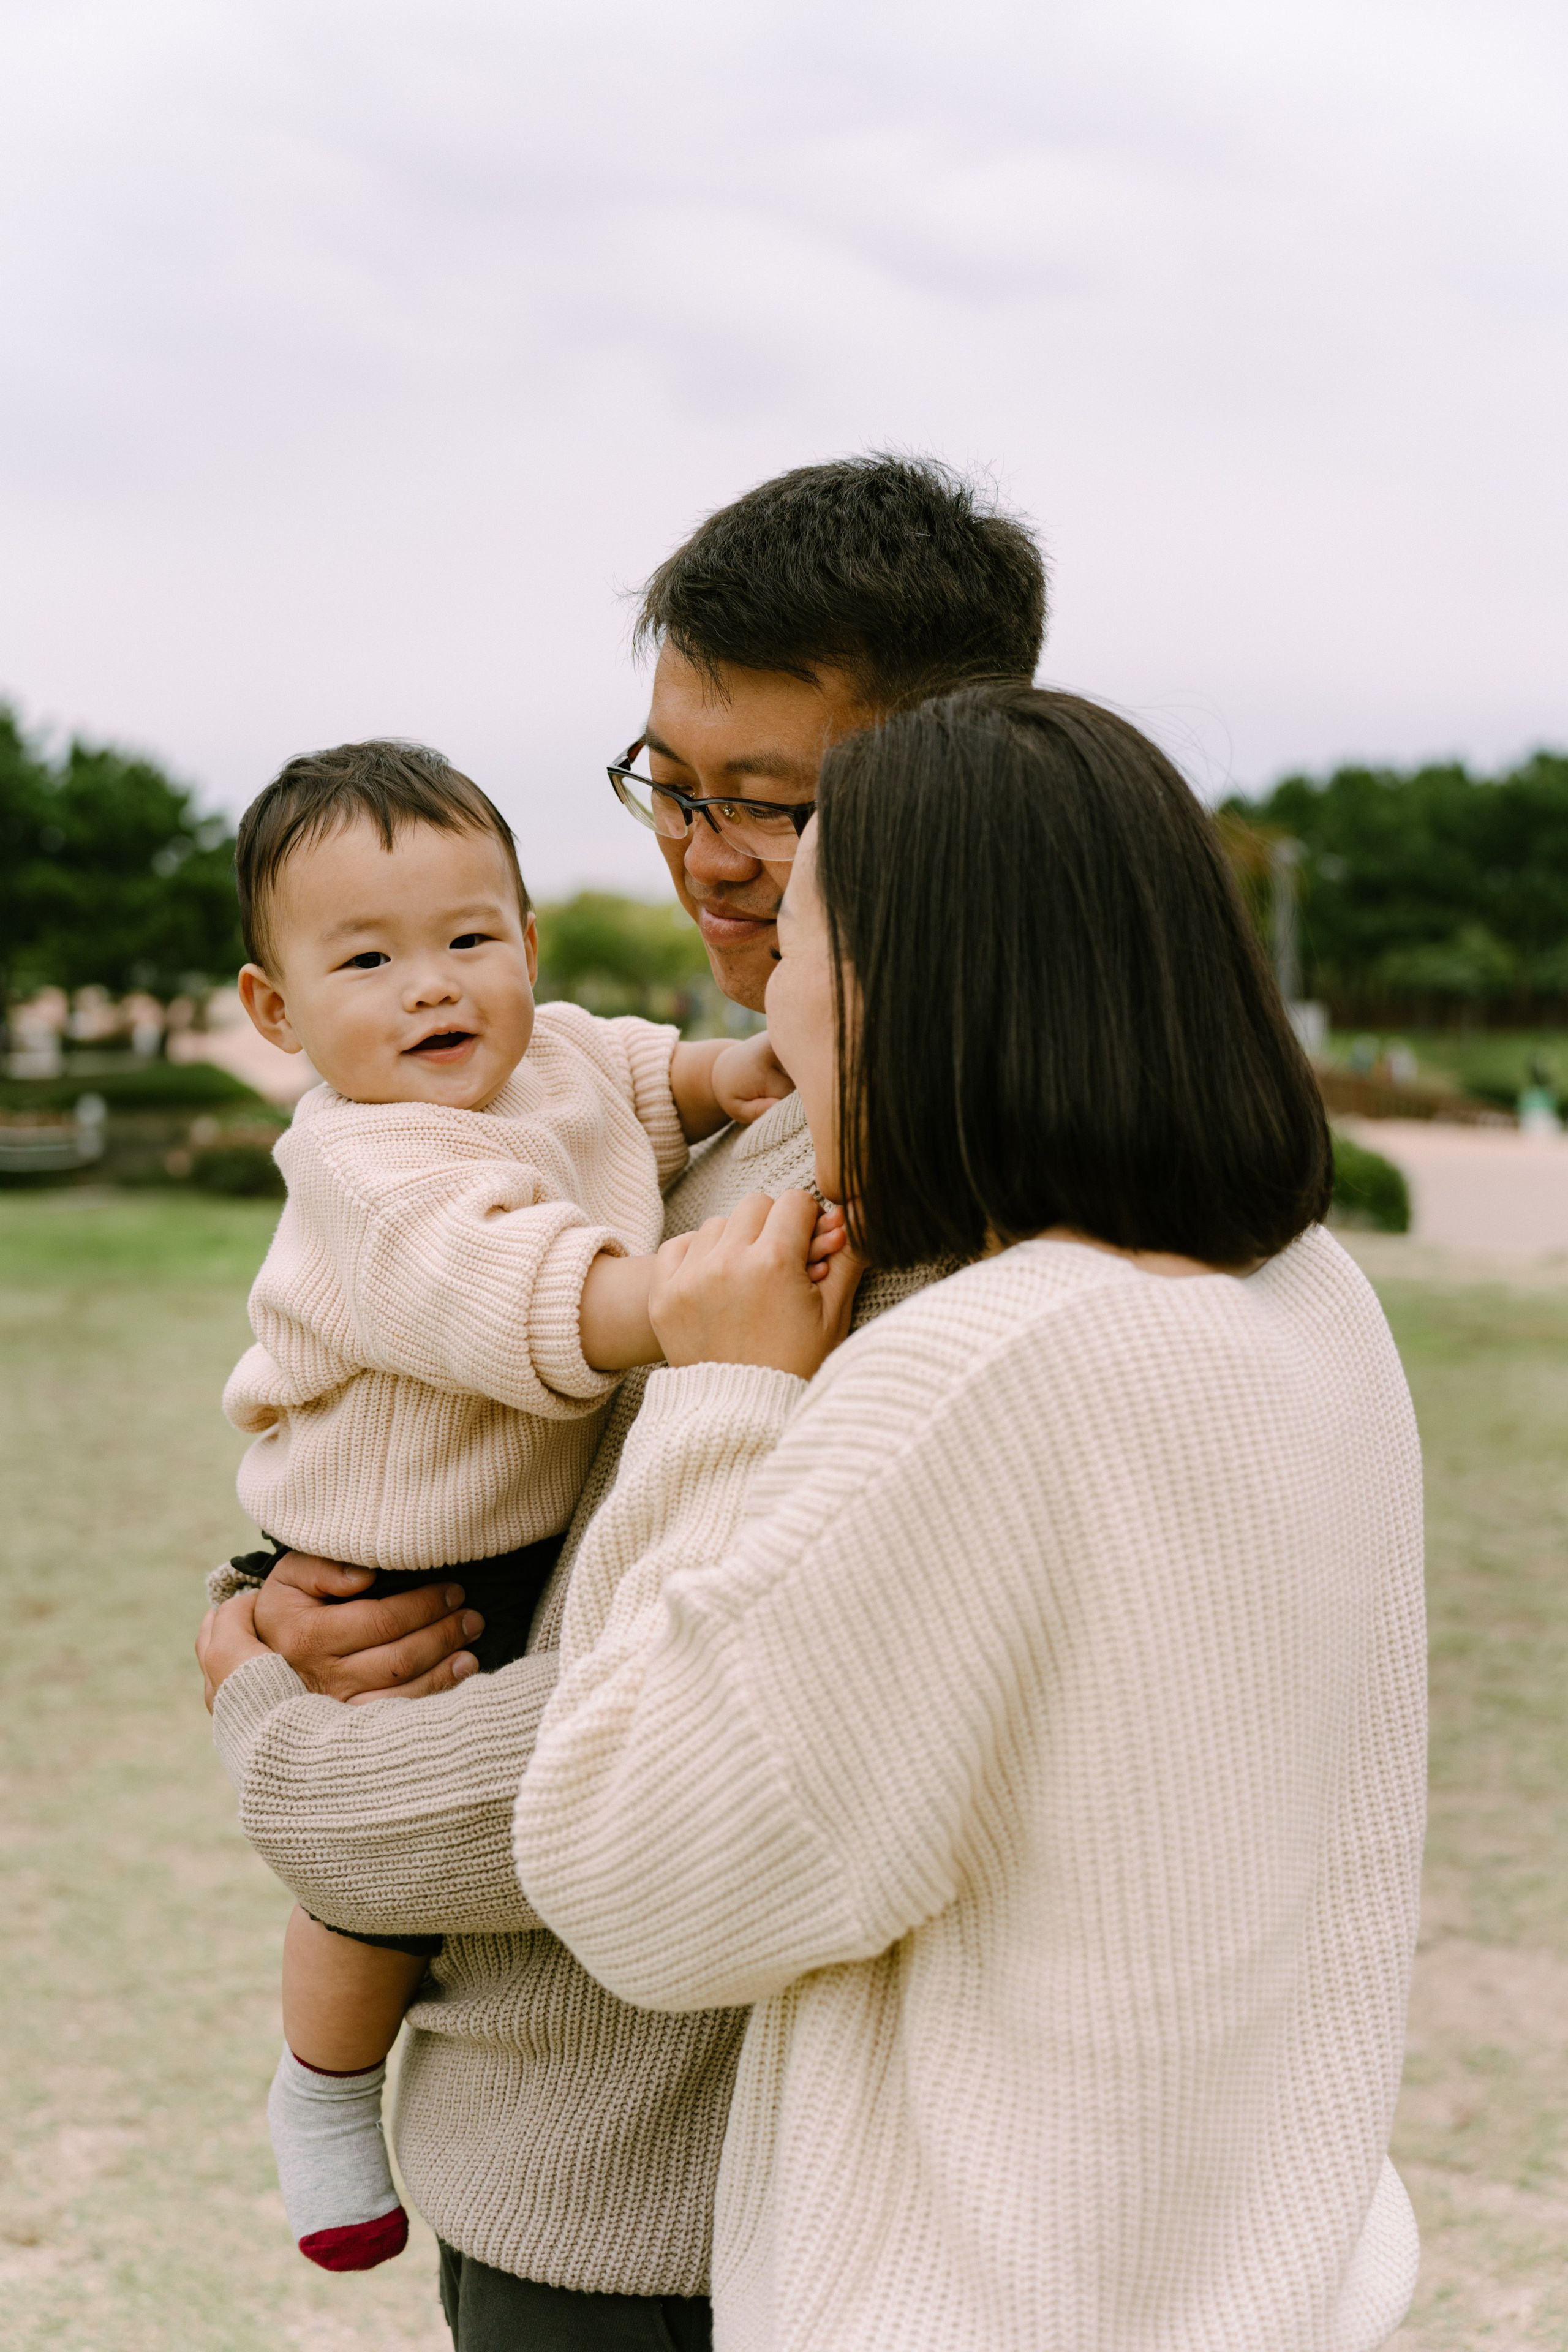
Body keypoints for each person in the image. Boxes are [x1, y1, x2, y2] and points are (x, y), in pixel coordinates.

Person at [197, 455, 1049, 2348]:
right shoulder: (691, 1140)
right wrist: (268, 1596)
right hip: (549, 2135)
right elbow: (459, 1357)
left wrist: (257, 1705)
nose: (706, 852)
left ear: (950, 786)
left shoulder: (932, 1212)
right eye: (674, 783)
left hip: (693, 2192)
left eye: (776, 804)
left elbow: (654, 1760)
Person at [510, 687, 1428, 2352]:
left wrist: (725, 1391)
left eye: (799, 939)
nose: (775, 1007)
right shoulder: (1317, 1302)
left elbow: (630, 1877)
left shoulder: (980, 1367)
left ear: (895, 986)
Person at [216, 736, 799, 2271]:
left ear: (527, 944)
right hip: (378, 1555)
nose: (433, 987)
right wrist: (678, 1304)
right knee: (374, 1883)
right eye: (367, 958)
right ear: (276, 1010)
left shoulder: (553, 1055)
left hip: (527, 1535)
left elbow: (639, 1082)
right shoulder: (370, 1163)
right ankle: (322, 2088)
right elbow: (506, 1285)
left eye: (471, 939)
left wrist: (733, 1072)